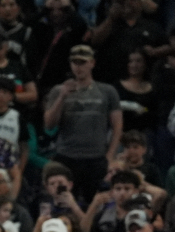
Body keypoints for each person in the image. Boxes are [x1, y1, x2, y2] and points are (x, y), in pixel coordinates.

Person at [43, 45, 123, 204]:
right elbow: (49, 124)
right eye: (75, 62)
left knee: (97, 204)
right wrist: (62, 97)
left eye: (83, 62)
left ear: (92, 63)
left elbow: (118, 126)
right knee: (63, 202)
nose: (78, 67)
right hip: (66, 157)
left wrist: (110, 156)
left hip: (96, 157)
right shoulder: (58, 90)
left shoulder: (107, 91)